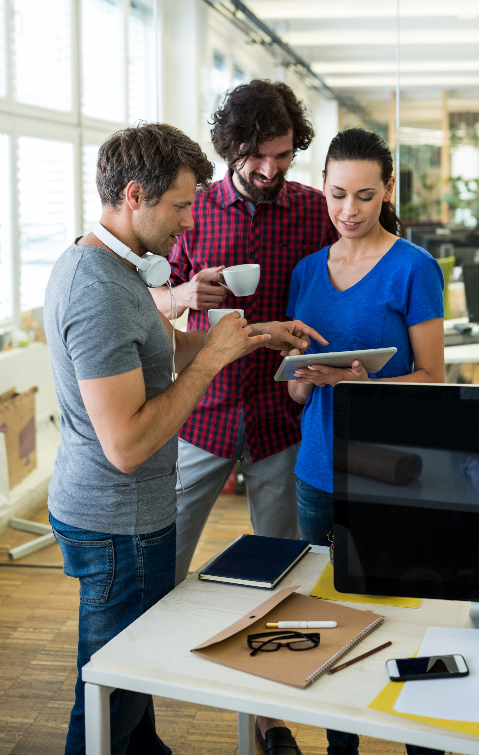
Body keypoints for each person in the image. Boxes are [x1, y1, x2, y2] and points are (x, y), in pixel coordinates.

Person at [44, 123, 319, 755]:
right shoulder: (99, 291)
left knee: (129, 691)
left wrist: (255, 335)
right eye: (180, 206)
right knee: (108, 702)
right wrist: (211, 363)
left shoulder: (111, 268)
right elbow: (127, 444)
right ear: (134, 196)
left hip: (121, 515)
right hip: (118, 524)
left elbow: (168, 348)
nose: (190, 222)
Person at [286, 126, 445, 755]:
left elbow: (432, 379)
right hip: (319, 471)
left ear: (388, 191)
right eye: (336, 195)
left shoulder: (414, 267)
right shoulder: (305, 271)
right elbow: (297, 394)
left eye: (364, 195)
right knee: (328, 622)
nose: (348, 210)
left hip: (392, 474)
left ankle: (421, 740)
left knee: (406, 617)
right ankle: (340, 746)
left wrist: (365, 385)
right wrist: (305, 379)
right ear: (322, 189)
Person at [151, 80, 338, 587]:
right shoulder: (190, 209)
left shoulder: (315, 211)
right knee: (164, 558)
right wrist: (182, 294)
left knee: (283, 565)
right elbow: (145, 298)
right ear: (229, 148)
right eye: (255, 156)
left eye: (282, 156)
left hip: (282, 415)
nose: (269, 170)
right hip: (202, 410)